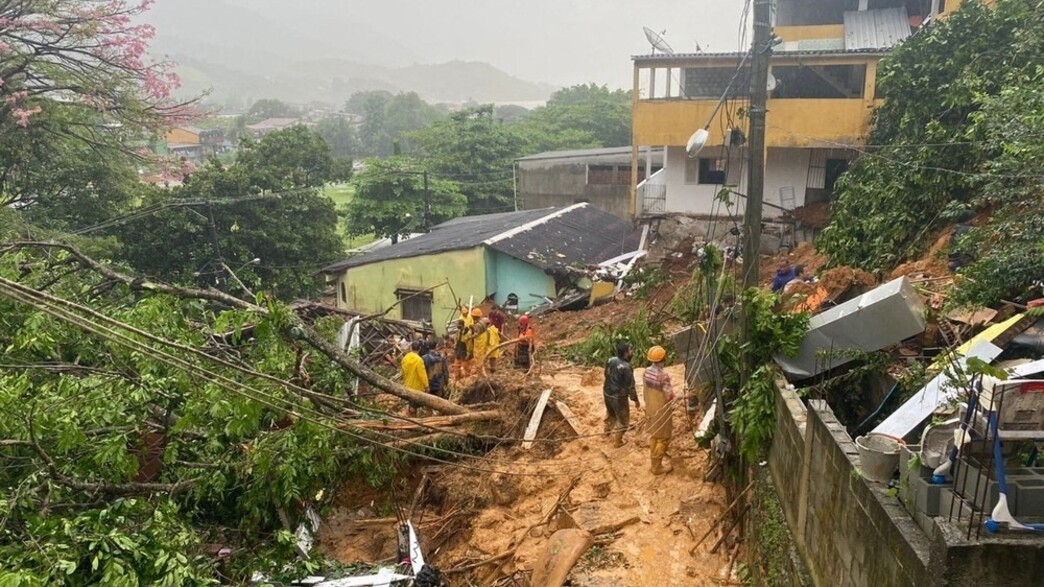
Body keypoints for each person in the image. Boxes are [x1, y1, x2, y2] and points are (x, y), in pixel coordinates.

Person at [643, 345, 675, 475]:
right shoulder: (663, 376)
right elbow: (670, 395)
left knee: (654, 435)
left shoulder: (646, 372)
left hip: (650, 407)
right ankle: (656, 467)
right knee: (663, 438)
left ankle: (653, 460)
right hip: (661, 410)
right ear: (663, 358)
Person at [603, 342, 639, 448]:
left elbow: (606, 374)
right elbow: (630, 386)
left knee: (611, 414)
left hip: (607, 392)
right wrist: (635, 399)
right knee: (623, 421)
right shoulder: (627, 367)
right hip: (619, 397)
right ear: (626, 353)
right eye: (631, 350)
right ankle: (617, 442)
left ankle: (606, 433)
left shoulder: (611, 360)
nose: (632, 352)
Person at [400, 341, 429, 413]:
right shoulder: (419, 360)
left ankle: (411, 416)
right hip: (417, 387)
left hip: (407, 385)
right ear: (419, 349)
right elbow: (422, 374)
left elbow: (403, 372)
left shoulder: (405, 358)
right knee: (416, 403)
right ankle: (414, 417)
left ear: (411, 348)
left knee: (411, 402)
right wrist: (426, 386)